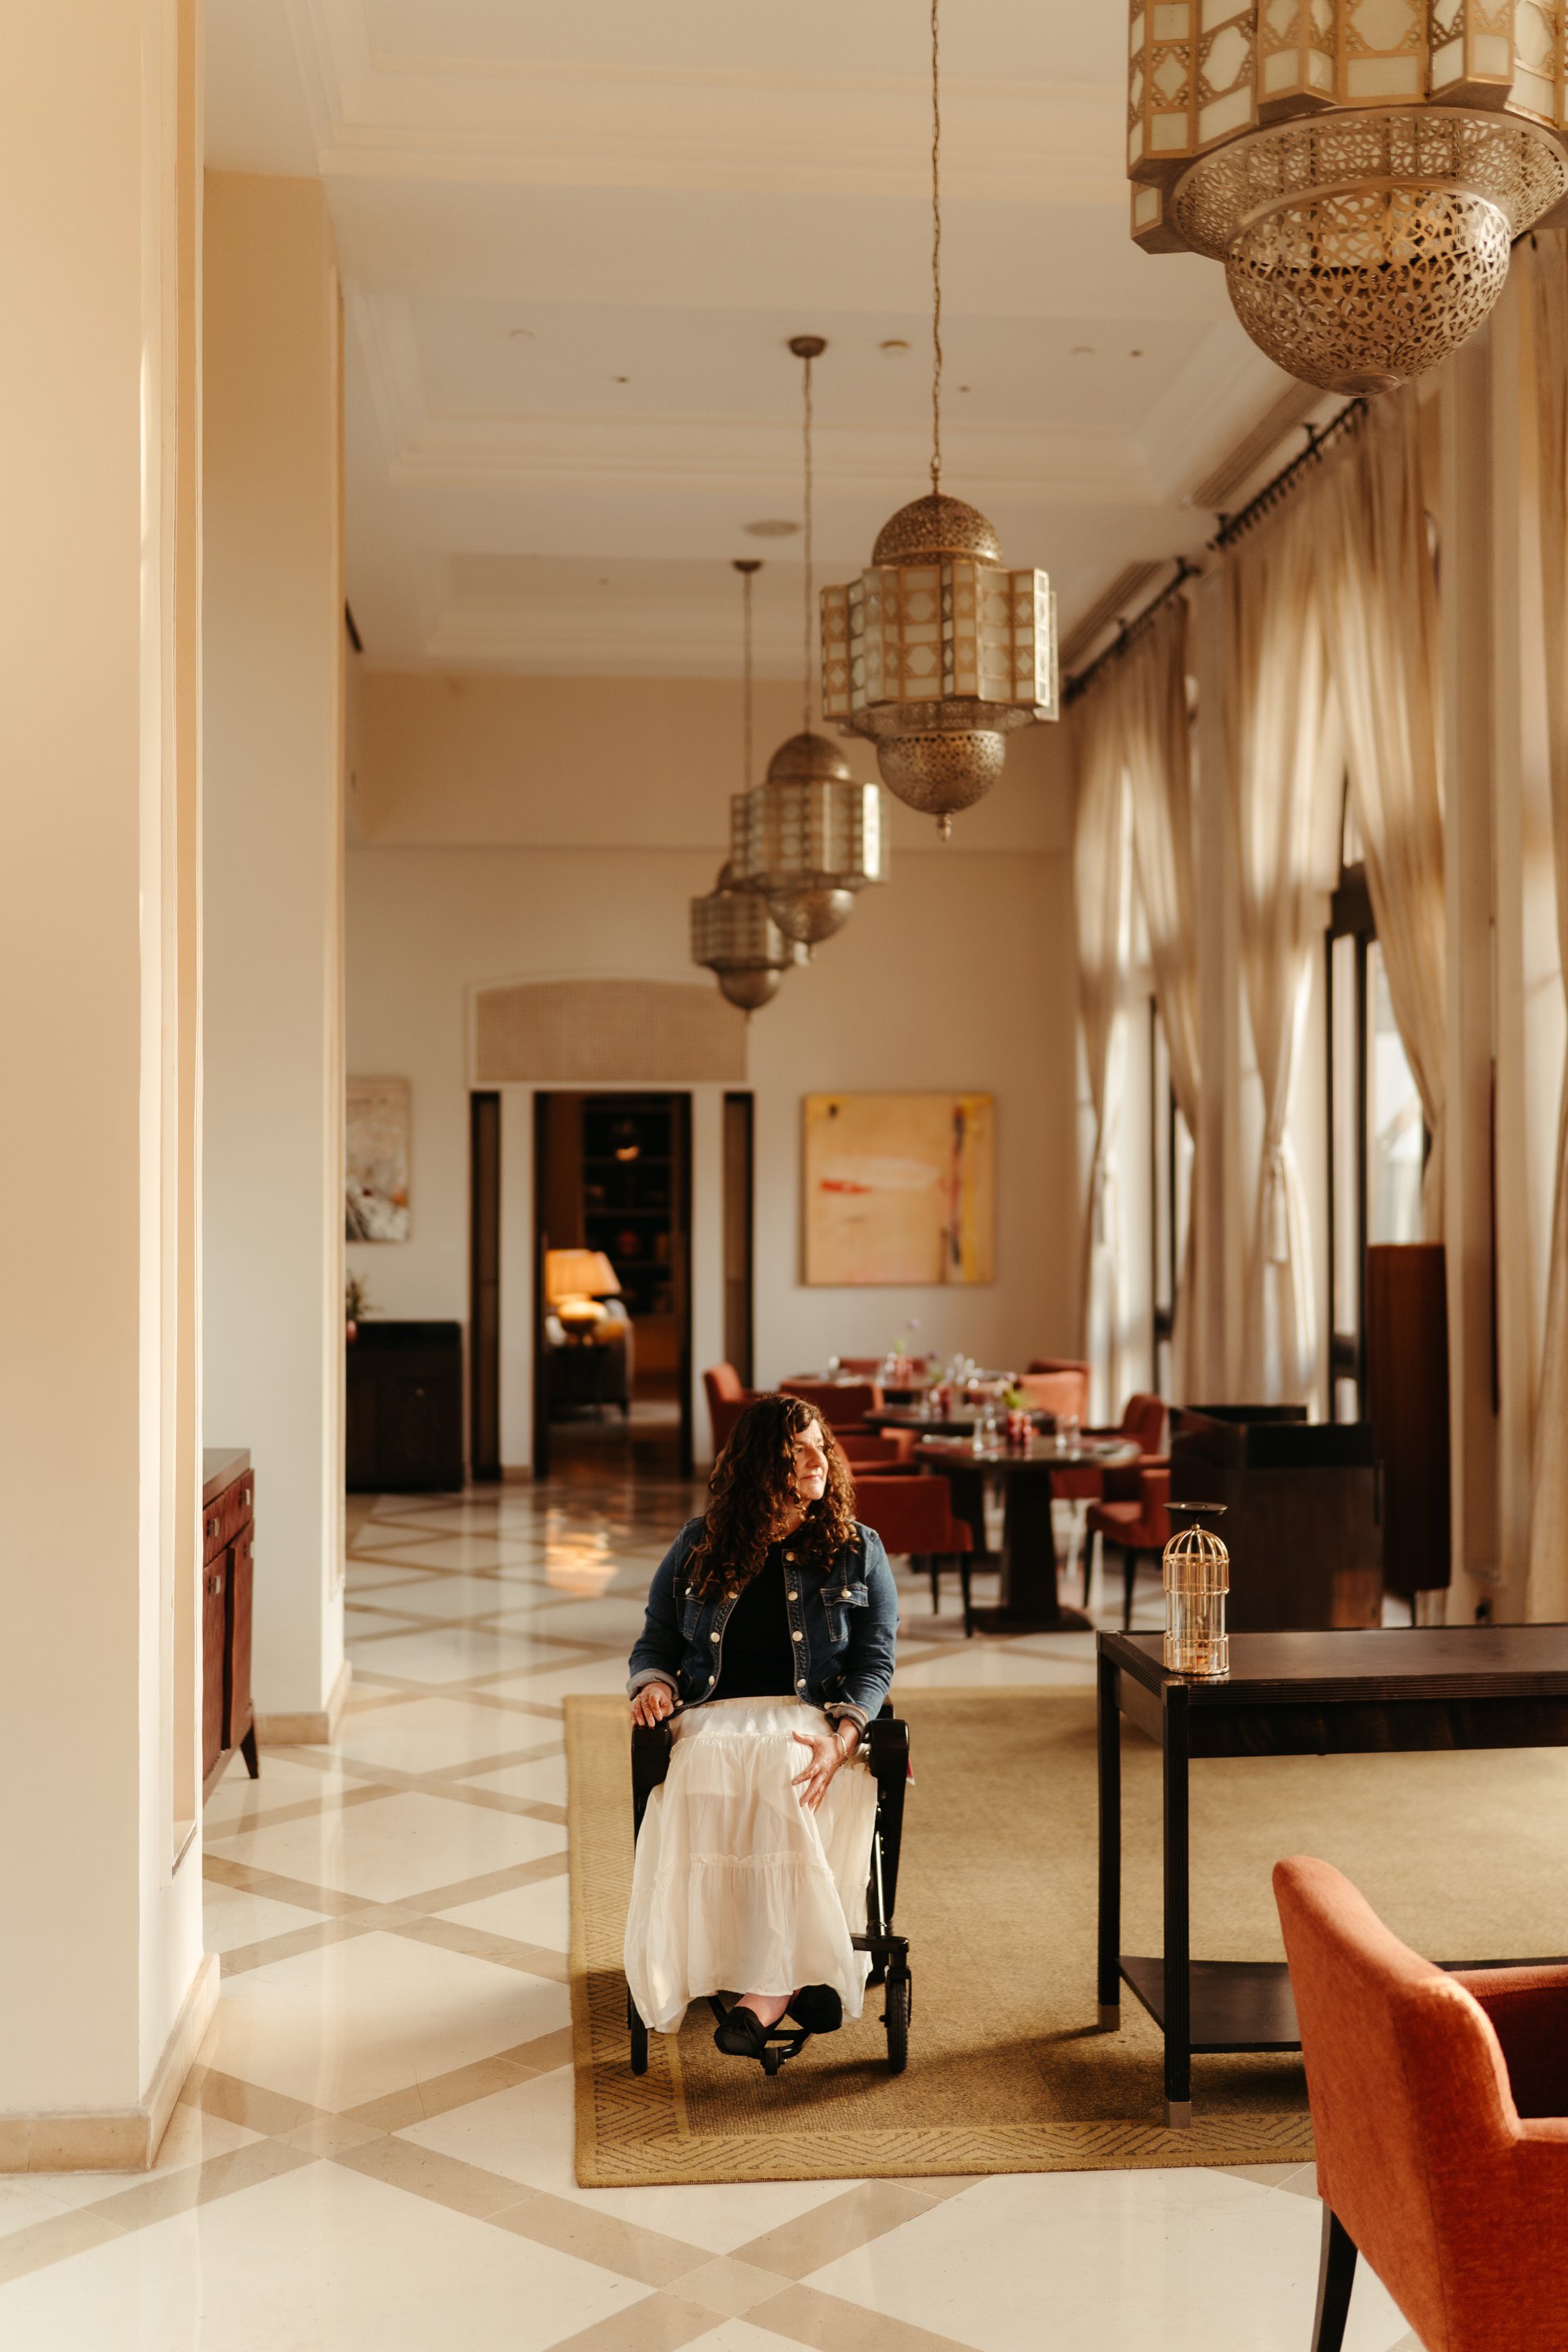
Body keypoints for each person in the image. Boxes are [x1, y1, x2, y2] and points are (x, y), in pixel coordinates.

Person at [623, 1392, 899, 2058]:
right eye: (797, 1451)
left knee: (786, 1768)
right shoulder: (700, 1543)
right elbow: (656, 1640)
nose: (818, 1461)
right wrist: (655, 1683)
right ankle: (795, 1980)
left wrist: (844, 1739)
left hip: (810, 1719)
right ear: (758, 1464)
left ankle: (768, 1994)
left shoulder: (858, 1549)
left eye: (820, 1447)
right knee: (705, 1772)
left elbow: (875, 1661)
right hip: (713, 1716)